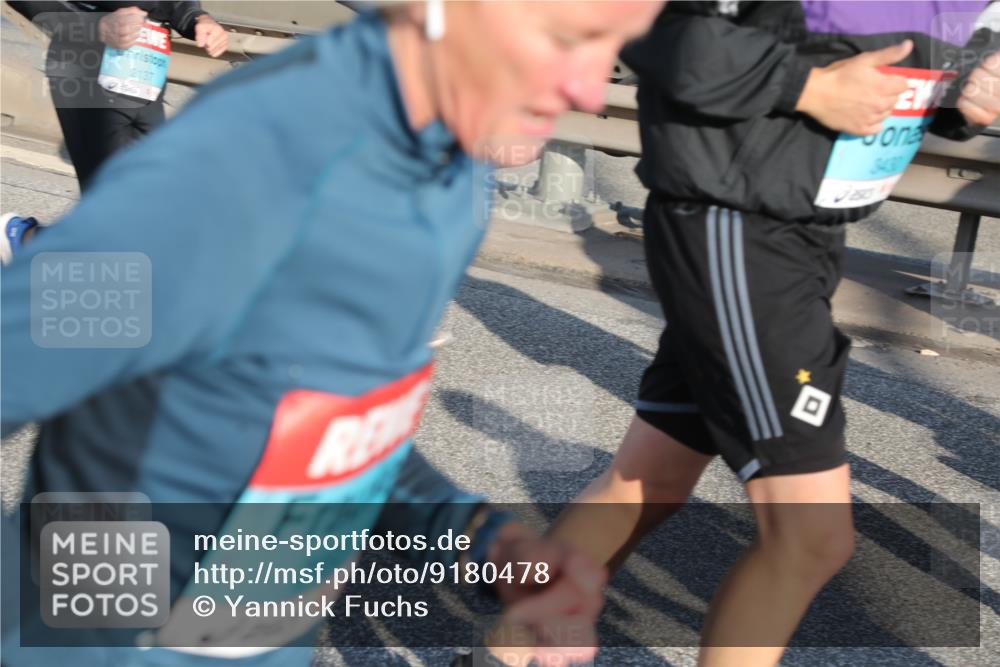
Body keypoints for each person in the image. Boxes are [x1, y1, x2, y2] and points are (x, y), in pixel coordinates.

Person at [0, 2, 662, 667]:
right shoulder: (247, 165)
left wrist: (475, 534)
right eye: (565, 39)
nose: (585, 87)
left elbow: (330, 421)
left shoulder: (451, 173)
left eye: (615, 47)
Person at [546, 1, 1000, 666]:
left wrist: (963, 95)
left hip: (803, 232)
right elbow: (647, 26)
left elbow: (890, 56)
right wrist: (811, 88)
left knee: (648, 480)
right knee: (811, 539)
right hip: (738, 219)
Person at [1, 1, 228, 263]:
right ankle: (20, 239)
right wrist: (94, 26)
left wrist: (197, 18)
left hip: (146, 71)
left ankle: (25, 242)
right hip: (87, 65)